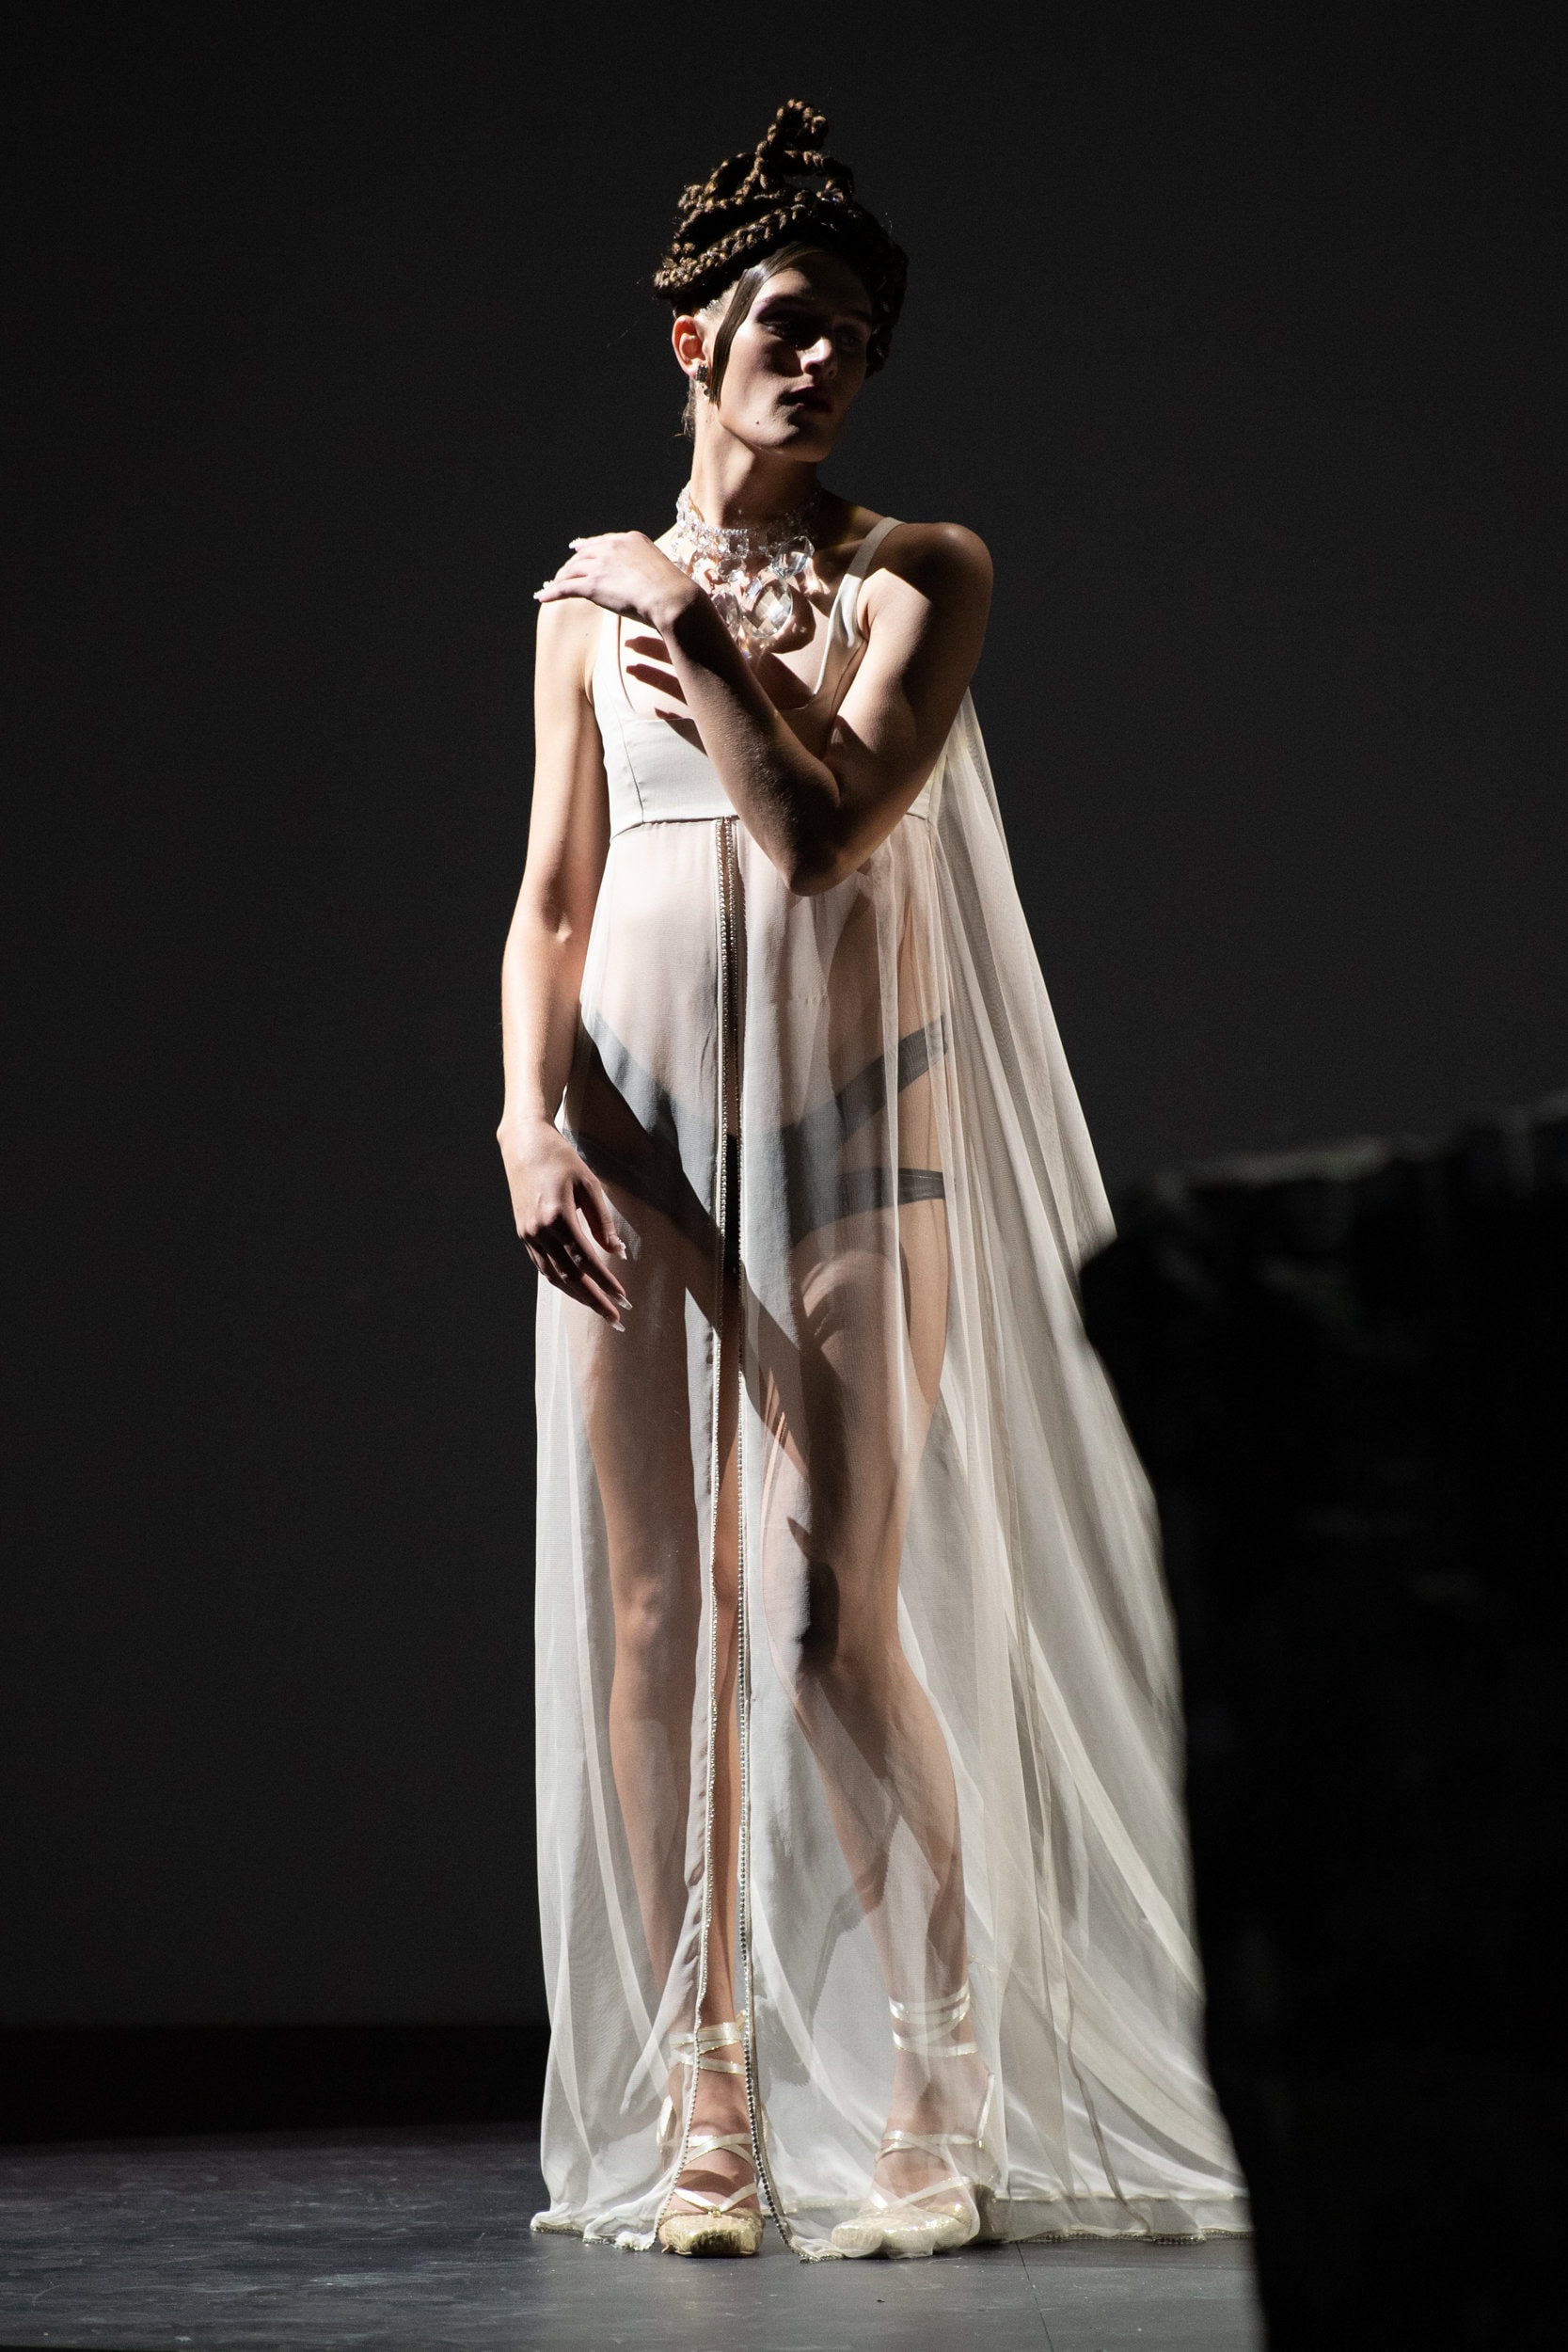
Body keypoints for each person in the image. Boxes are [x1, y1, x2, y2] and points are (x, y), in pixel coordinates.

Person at [498, 100, 1247, 2261]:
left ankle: (935, 2072)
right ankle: (704, 2078)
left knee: (827, 1615)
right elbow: (551, 896)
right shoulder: (579, 606)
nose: (822, 362)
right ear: (693, 340)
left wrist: (701, 621)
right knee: (658, 1618)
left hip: (853, 1146)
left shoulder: (915, 571)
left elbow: (821, 832)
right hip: (635, 1153)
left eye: (852, 335)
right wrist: (526, 1117)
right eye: (787, 324)